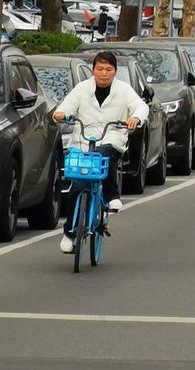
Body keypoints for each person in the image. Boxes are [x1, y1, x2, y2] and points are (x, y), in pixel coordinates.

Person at [51, 49, 146, 253]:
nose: (104, 73)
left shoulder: (124, 89)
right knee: (78, 185)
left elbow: (140, 107)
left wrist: (135, 118)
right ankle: (70, 233)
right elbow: (67, 106)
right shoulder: (82, 88)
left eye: (108, 69)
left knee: (104, 153)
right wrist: (61, 114)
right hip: (83, 140)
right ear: (93, 70)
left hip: (112, 136)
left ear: (115, 71)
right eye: (100, 69)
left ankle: (112, 195)